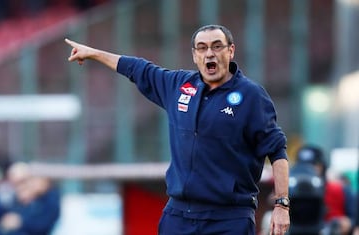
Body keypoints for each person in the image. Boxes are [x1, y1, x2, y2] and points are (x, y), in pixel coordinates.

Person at [65, 24, 290, 235]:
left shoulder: (251, 96)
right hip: (179, 214)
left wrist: (281, 204)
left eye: (217, 46)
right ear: (194, 55)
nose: (209, 53)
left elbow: (277, 152)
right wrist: (93, 53)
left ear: (231, 51)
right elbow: (136, 68)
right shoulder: (179, 86)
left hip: (228, 217)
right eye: (202, 48)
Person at [293, 145, 356, 235]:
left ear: (322, 166)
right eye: (303, 166)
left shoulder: (340, 190)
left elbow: (353, 220)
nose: (307, 170)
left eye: (313, 165)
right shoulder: (288, 191)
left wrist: (346, 224)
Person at [0, 162, 60, 235]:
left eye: (23, 181)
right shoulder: (15, 198)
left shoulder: (50, 199)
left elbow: (43, 224)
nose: (20, 187)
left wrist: (20, 221)